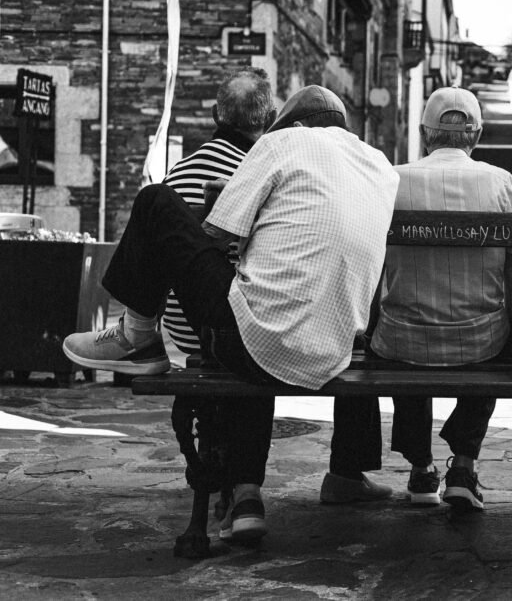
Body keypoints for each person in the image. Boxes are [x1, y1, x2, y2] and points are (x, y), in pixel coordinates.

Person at [63, 85, 399, 542]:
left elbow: (217, 233)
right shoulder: (379, 165)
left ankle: (136, 334)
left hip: (251, 341)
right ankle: (251, 497)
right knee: (263, 304)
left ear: (291, 125)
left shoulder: (282, 143)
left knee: (155, 203)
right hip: (335, 348)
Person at [356, 86, 512, 512]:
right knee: (497, 338)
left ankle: (420, 465)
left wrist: (373, 325)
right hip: (479, 341)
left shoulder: (392, 179)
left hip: (402, 339)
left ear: (423, 133)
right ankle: (464, 465)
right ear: (477, 134)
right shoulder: (500, 181)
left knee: (397, 335)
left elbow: (373, 266)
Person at [162, 67, 275, 356]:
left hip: (179, 327)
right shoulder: (263, 174)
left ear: (215, 115)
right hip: (237, 328)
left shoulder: (176, 174)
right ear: (272, 119)